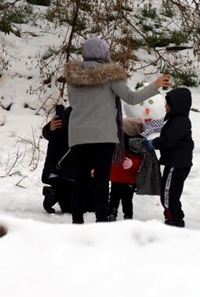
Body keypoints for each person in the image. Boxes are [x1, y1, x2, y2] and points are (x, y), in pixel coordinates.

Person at [64, 37, 170, 224]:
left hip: (78, 135)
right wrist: (155, 85)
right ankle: (101, 219)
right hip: (103, 135)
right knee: (102, 179)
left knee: (80, 178)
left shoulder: (72, 78)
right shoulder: (110, 75)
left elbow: (73, 103)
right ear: (103, 53)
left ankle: (77, 219)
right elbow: (131, 97)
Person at [144, 88, 194, 227]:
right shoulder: (176, 120)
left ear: (176, 105)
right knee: (172, 191)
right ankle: (177, 215)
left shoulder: (179, 122)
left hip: (177, 164)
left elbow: (168, 140)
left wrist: (153, 143)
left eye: (167, 104)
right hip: (176, 163)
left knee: (168, 193)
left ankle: (173, 219)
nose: (165, 106)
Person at [108, 118, 144, 221]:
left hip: (128, 177)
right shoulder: (117, 141)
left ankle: (127, 215)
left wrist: (133, 163)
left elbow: (141, 160)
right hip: (117, 176)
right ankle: (112, 212)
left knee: (127, 198)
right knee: (114, 196)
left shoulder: (137, 143)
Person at [41, 105, 75, 214]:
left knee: (91, 207)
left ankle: (59, 193)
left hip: (76, 174)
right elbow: (48, 133)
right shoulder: (67, 115)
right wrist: (51, 128)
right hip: (60, 173)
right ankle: (54, 193)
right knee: (72, 209)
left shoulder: (93, 116)